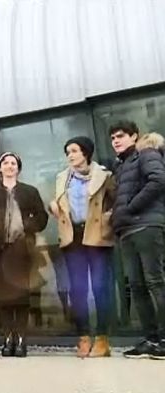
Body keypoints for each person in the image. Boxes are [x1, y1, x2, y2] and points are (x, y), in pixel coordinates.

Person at [49, 137, 115, 358]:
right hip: (72, 237)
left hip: (96, 235)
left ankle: (103, 338)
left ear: (86, 152)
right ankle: (84, 337)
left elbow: (115, 202)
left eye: (74, 151)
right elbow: (59, 203)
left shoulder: (104, 176)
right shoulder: (62, 178)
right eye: (68, 151)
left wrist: (107, 219)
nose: (70, 155)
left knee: (100, 287)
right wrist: (54, 206)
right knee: (78, 290)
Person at [0, 152, 48, 357]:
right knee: (3, 296)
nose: (9, 166)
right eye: (5, 163)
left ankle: (21, 339)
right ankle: (7, 338)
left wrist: (28, 226)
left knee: (22, 296)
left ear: (18, 168)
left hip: (22, 250)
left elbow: (42, 217)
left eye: (13, 163)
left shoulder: (29, 191)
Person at [110, 122, 165, 360]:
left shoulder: (146, 154)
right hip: (127, 230)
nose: (115, 141)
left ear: (134, 136)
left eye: (120, 136)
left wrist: (131, 208)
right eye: (112, 138)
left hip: (147, 224)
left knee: (155, 282)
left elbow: (158, 181)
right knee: (137, 286)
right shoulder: (121, 166)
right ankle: (150, 339)